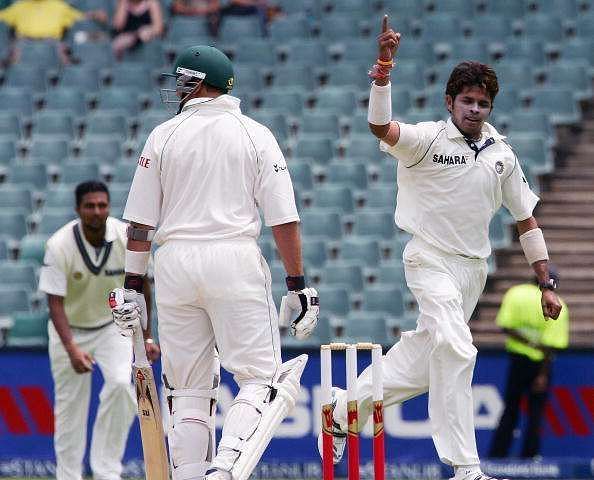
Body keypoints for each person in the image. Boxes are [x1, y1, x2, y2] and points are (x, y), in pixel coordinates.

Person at [318, 15, 563, 480]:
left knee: (423, 364)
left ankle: (339, 411)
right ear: (449, 101)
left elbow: (526, 220)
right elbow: (379, 127)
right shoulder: (427, 140)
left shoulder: (501, 155)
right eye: (467, 101)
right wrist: (383, 71)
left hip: (472, 271)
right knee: (457, 347)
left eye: (483, 103)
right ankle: (466, 468)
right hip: (429, 259)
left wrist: (545, 282)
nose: (475, 110)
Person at [108, 45, 319, 480]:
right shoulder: (255, 134)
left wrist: (132, 285)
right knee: (262, 380)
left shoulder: (162, 136)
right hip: (233, 260)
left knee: (187, 389)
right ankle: (224, 469)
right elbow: (283, 218)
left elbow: (141, 225)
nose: (178, 88)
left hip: (174, 267)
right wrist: (297, 284)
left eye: (184, 79)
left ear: (201, 82)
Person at [38, 181, 159, 480]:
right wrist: (72, 349)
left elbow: (143, 286)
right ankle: (69, 476)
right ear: (78, 209)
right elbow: (54, 302)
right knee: (70, 411)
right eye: (90, 206)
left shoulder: (124, 236)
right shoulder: (59, 244)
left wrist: (145, 337)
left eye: (102, 205)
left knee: (120, 385)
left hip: (111, 327)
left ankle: (106, 472)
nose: (97, 211)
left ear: (108, 207)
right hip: (69, 330)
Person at [489, 267, 569, 459]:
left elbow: (506, 325)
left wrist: (527, 342)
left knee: (510, 409)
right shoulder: (558, 304)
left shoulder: (515, 293)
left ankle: (498, 455)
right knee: (535, 413)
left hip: (518, 361)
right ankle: (530, 456)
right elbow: (552, 345)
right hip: (541, 365)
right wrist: (542, 373)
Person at [0, 0, 107, 64]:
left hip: (52, 42)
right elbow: (2, 16)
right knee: (13, 55)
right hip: (23, 43)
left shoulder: (59, 6)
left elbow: (80, 16)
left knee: (64, 55)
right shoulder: (20, 6)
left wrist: (95, 14)